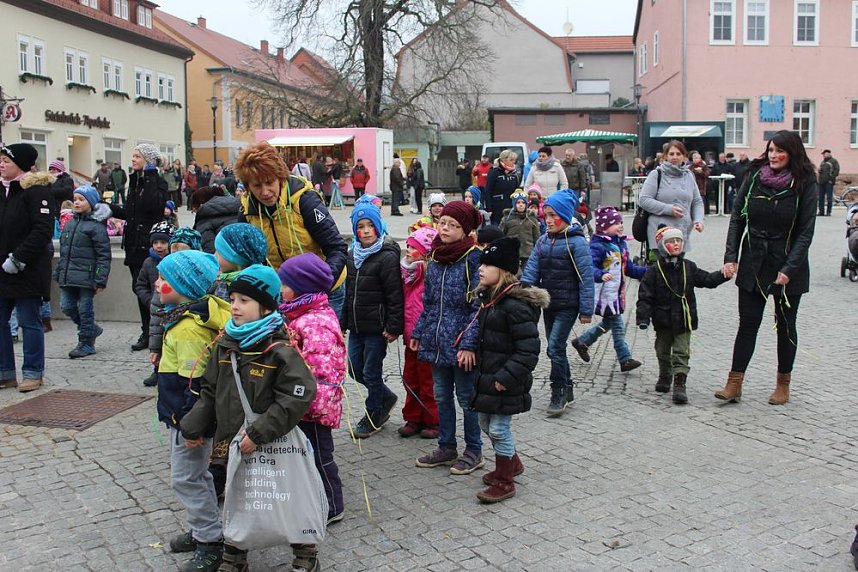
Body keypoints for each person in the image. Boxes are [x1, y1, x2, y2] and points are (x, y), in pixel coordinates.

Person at [179, 265, 319, 572]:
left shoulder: (278, 349)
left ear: (266, 306)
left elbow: (299, 393)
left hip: (271, 439)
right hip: (231, 440)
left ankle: (305, 551)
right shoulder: (224, 342)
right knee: (237, 495)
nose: (235, 306)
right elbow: (210, 390)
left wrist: (260, 432)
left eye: (244, 300)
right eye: (233, 299)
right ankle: (235, 555)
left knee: (285, 494)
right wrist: (192, 425)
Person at [715, 130, 818, 406]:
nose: (773, 155)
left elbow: (806, 232)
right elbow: (737, 218)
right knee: (747, 324)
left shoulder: (805, 182)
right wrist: (730, 256)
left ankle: (783, 383)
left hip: (787, 263)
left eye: (779, 151)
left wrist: (789, 268)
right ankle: (734, 382)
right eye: (770, 150)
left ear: (792, 153)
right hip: (754, 259)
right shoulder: (754, 177)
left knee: (785, 325)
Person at [152, 250, 230, 572]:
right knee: (195, 476)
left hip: (188, 420)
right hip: (185, 418)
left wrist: (191, 427)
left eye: (164, 279)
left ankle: (210, 541)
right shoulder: (188, 316)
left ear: (183, 284)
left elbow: (195, 384)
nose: (157, 284)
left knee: (186, 478)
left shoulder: (188, 329)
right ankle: (204, 530)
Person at [467, 237, 547, 503]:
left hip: (505, 381)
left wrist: (506, 377)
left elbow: (528, 350)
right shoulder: (490, 300)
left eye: (488, 264)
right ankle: (512, 463)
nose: (481, 269)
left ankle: (504, 481)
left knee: (499, 429)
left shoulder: (514, 306)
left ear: (503, 270)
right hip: (489, 378)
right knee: (484, 423)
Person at [234, 142, 348, 317]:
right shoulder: (247, 211)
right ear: (248, 187)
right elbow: (249, 259)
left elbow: (337, 248)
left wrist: (322, 284)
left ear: (280, 177)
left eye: (269, 183)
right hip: (284, 291)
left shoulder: (304, 200)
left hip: (324, 288)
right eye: (257, 186)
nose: (265, 192)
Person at [412, 201, 484, 475]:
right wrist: (420, 331)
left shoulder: (473, 258)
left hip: (461, 343)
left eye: (453, 225)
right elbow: (428, 302)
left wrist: (468, 343)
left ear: (465, 230)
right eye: (443, 223)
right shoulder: (435, 258)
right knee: (442, 396)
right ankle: (447, 446)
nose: (445, 229)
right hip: (436, 341)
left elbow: (479, 307)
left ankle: (474, 450)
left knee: (467, 398)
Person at [277, 253, 347, 525]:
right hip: (299, 402)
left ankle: (333, 503)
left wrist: (310, 406)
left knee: (320, 456)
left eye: (285, 284)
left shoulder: (314, 321)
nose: (280, 290)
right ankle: (310, 497)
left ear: (302, 287)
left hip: (312, 406)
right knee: (305, 456)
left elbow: (321, 372)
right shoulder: (299, 313)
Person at [520, 189, 594, 417]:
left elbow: (586, 277)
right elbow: (531, 269)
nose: (549, 220)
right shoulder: (543, 241)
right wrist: (523, 291)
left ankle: (558, 390)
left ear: (564, 215)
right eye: (546, 216)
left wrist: (586, 309)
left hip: (568, 304)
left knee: (553, 348)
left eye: (554, 215)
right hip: (548, 304)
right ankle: (568, 386)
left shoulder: (577, 243)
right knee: (556, 347)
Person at [638, 225, 728, 404]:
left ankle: (680, 383)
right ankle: (665, 374)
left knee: (681, 352)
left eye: (678, 240)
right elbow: (645, 296)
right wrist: (643, 317)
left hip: (684, 318)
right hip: (662, 319)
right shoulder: (654, 271)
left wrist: (723, 275)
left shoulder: (689, 267)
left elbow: (707, 280)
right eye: (671, 241)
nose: (676, 244)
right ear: (663, 246)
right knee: (662, 351)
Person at [341, 204, 404, 438]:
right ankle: (386, 397)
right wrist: (343, 322)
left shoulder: (386, 257)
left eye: (370, 226)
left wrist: (393, 326)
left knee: (371, 371)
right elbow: (349, 293)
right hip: (357, 326)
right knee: (354, 369)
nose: (366, 231)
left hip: (377, 328)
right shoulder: (352, 256)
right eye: (360, 227)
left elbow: (394, 295)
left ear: (378, 227)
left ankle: (373, 414)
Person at [0, 143, 55, 392]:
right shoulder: (3, 189)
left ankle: (33, 372)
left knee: (28, 321)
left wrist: (18, 258)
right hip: (2, 269)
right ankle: (5, 372)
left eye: (7, 161)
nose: (1, 164)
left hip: (27, 269)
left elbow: (42, 230)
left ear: (21, 165)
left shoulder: (36, 191)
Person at [571, 206, 646, 373]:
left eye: (620, 222)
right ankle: (625, 359)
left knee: (608, 323)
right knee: (617, 326)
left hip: (616, 294)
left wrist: (647, 272)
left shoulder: (620, 243)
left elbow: (629, 268)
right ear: (604, 227)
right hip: (605, 294)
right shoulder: (598, 246)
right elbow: (589, 267)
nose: (620, 225)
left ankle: (583, 341)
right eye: (615, 223)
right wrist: (600, 274)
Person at [108, 143, 168, 351]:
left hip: (150, 245)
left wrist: (151, 177)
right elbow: (129, 213)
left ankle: (155, 332)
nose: (132, 159)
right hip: (134, 245)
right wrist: (108, 209)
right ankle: (147, 331)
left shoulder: (157, 182)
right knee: (139, 288)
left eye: (137, 156)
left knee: (153, 291)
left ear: (148, 161)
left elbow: (152, 206)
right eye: (132, 156)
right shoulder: (134, 182)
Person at [54, 186, 111, 359]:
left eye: (81, 199)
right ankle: (91, 329)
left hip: (87, 277)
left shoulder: (96, 227)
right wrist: (59, 271)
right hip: (68, 275)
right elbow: (64, 251)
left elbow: (103, 255)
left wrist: (100, 279)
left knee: (86, 310)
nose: (77, 202)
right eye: (75, 199)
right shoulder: (70, 223)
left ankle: (86, 341)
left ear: (91, 203)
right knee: (67, 306)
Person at [398, 226, 440, 439]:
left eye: (413, 248)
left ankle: (432, 420)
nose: (407, 251)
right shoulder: (406, 274)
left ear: (424, 252)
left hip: (426, 339)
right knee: (410, 378)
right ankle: (413, 417)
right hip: (409, 337)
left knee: (427, 381)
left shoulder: (430, 274)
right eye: (407, 246)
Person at [637, 140, 704, 257]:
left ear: (684, 156)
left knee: (678, 272)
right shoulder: (656, 174)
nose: (675, 157)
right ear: (665, 156)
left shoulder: (689, 175)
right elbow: (644, 199)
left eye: (678, 154)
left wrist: (698, 219)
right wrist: (668, 209)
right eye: (671, 154)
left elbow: (697, 201)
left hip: (681, 233)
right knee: (661, 272)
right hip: (660, 233)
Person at [135, 220, 175, 387]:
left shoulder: (174, 262)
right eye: (156, 242)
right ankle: (157, 371)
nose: (159, 246)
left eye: (163, 242)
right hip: (155, 309)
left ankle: (169, 371)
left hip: (171, 307)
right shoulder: (148, 262)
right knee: (156, 340)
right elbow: (139, 284)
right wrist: (149, 300)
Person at [499, 192, 540, 271]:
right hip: (511, 254)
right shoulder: (507, 218)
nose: (521, 205)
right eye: (518, 202)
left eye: (523, 202)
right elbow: (501, 235)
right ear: (514, 204)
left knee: (526, 275)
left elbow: (536, 237)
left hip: (528, 253)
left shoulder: (532, 218)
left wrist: (536, 252)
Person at [484, 150, 520, 226]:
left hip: (510, 209)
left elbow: (517, 191)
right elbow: (488, 191)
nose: (513, 162)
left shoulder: (514, 174)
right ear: (503, 160)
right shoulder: (494, 172)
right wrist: (489, 209)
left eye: (514, 160)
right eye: (511, 160)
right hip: (496, 209)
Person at [818, 149, 840, 216]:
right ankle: (821, 211)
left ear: (829, 154)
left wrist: (831, 179)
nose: (824, 155)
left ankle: (828, 212)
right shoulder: (823, 162)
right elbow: (821, 171)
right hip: (821, 182)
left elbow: (836, 171)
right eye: (823, 154)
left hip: (829, 182)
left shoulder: (834, 161)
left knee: (829, 197)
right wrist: (819, 170)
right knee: (821, 197)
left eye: (825, 154)